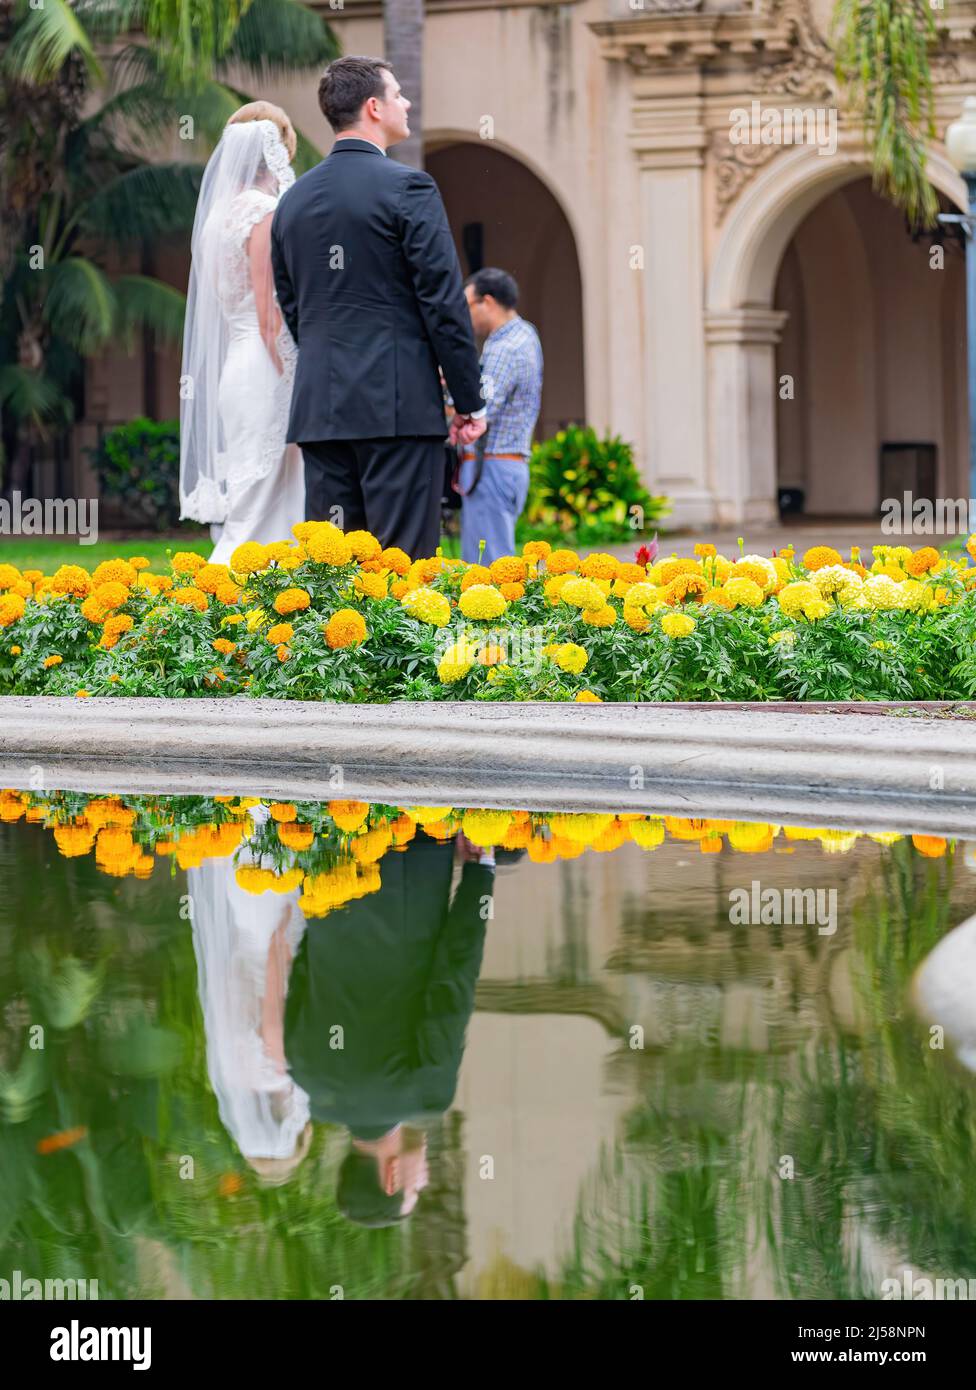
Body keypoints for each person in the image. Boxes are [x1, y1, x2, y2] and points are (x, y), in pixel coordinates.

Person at [270, 56, 487, 560]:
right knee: (404, 566)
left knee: (333, 571)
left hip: (322, 412)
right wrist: (468, 400)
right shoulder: (409, 188)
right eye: (398, 95)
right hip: (398, 410)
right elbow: (443, 302)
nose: (406, 103)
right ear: (373, 107)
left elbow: (294, 307)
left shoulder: (293, 202)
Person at [284, 831, 496, 1226]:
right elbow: (302, 967)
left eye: (415, 1189)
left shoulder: (425, 1095)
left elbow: (455, 980)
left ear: (391, 1177)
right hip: (326, 863)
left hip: (410, 861)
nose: (426, 1178)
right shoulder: (304, 1076)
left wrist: (479, 876)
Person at [179, 102, 305, 563]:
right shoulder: (262, 211)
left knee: (258, 492)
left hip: (237, 362)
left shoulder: (215, 219)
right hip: (266, 365)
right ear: (279, 151)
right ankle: (223, 593)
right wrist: (294, 374)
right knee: (262, 502)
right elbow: (269, 310)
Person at [459, 267, 543, 564]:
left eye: (467, 305)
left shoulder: (504, 347)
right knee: (493, 563)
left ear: (488, 302)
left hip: (492, 466)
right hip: (506, 465)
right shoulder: (525, 335)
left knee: (486, 572)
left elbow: (480, 410)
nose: (464, 315)